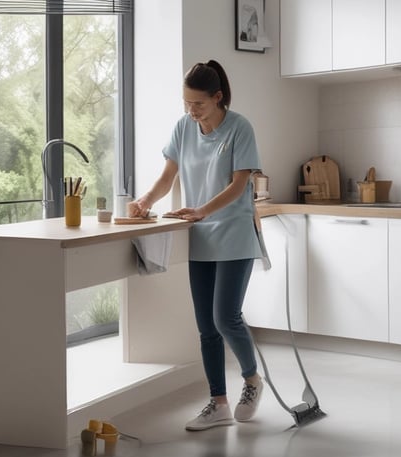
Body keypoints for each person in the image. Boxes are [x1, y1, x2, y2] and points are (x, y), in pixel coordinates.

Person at [129, 60, 265, 431]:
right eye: (187, 103)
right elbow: (167, 176)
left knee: (226, 317)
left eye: (199, 104)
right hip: (200, 236)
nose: (192, 111)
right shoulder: (183, 128)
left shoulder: (240, 128)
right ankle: (217, 403)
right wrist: (145, 202)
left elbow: (239, 185)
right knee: (205, 325)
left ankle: (252, 380)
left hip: (234, 234)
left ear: (218, 98)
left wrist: (202, 210)